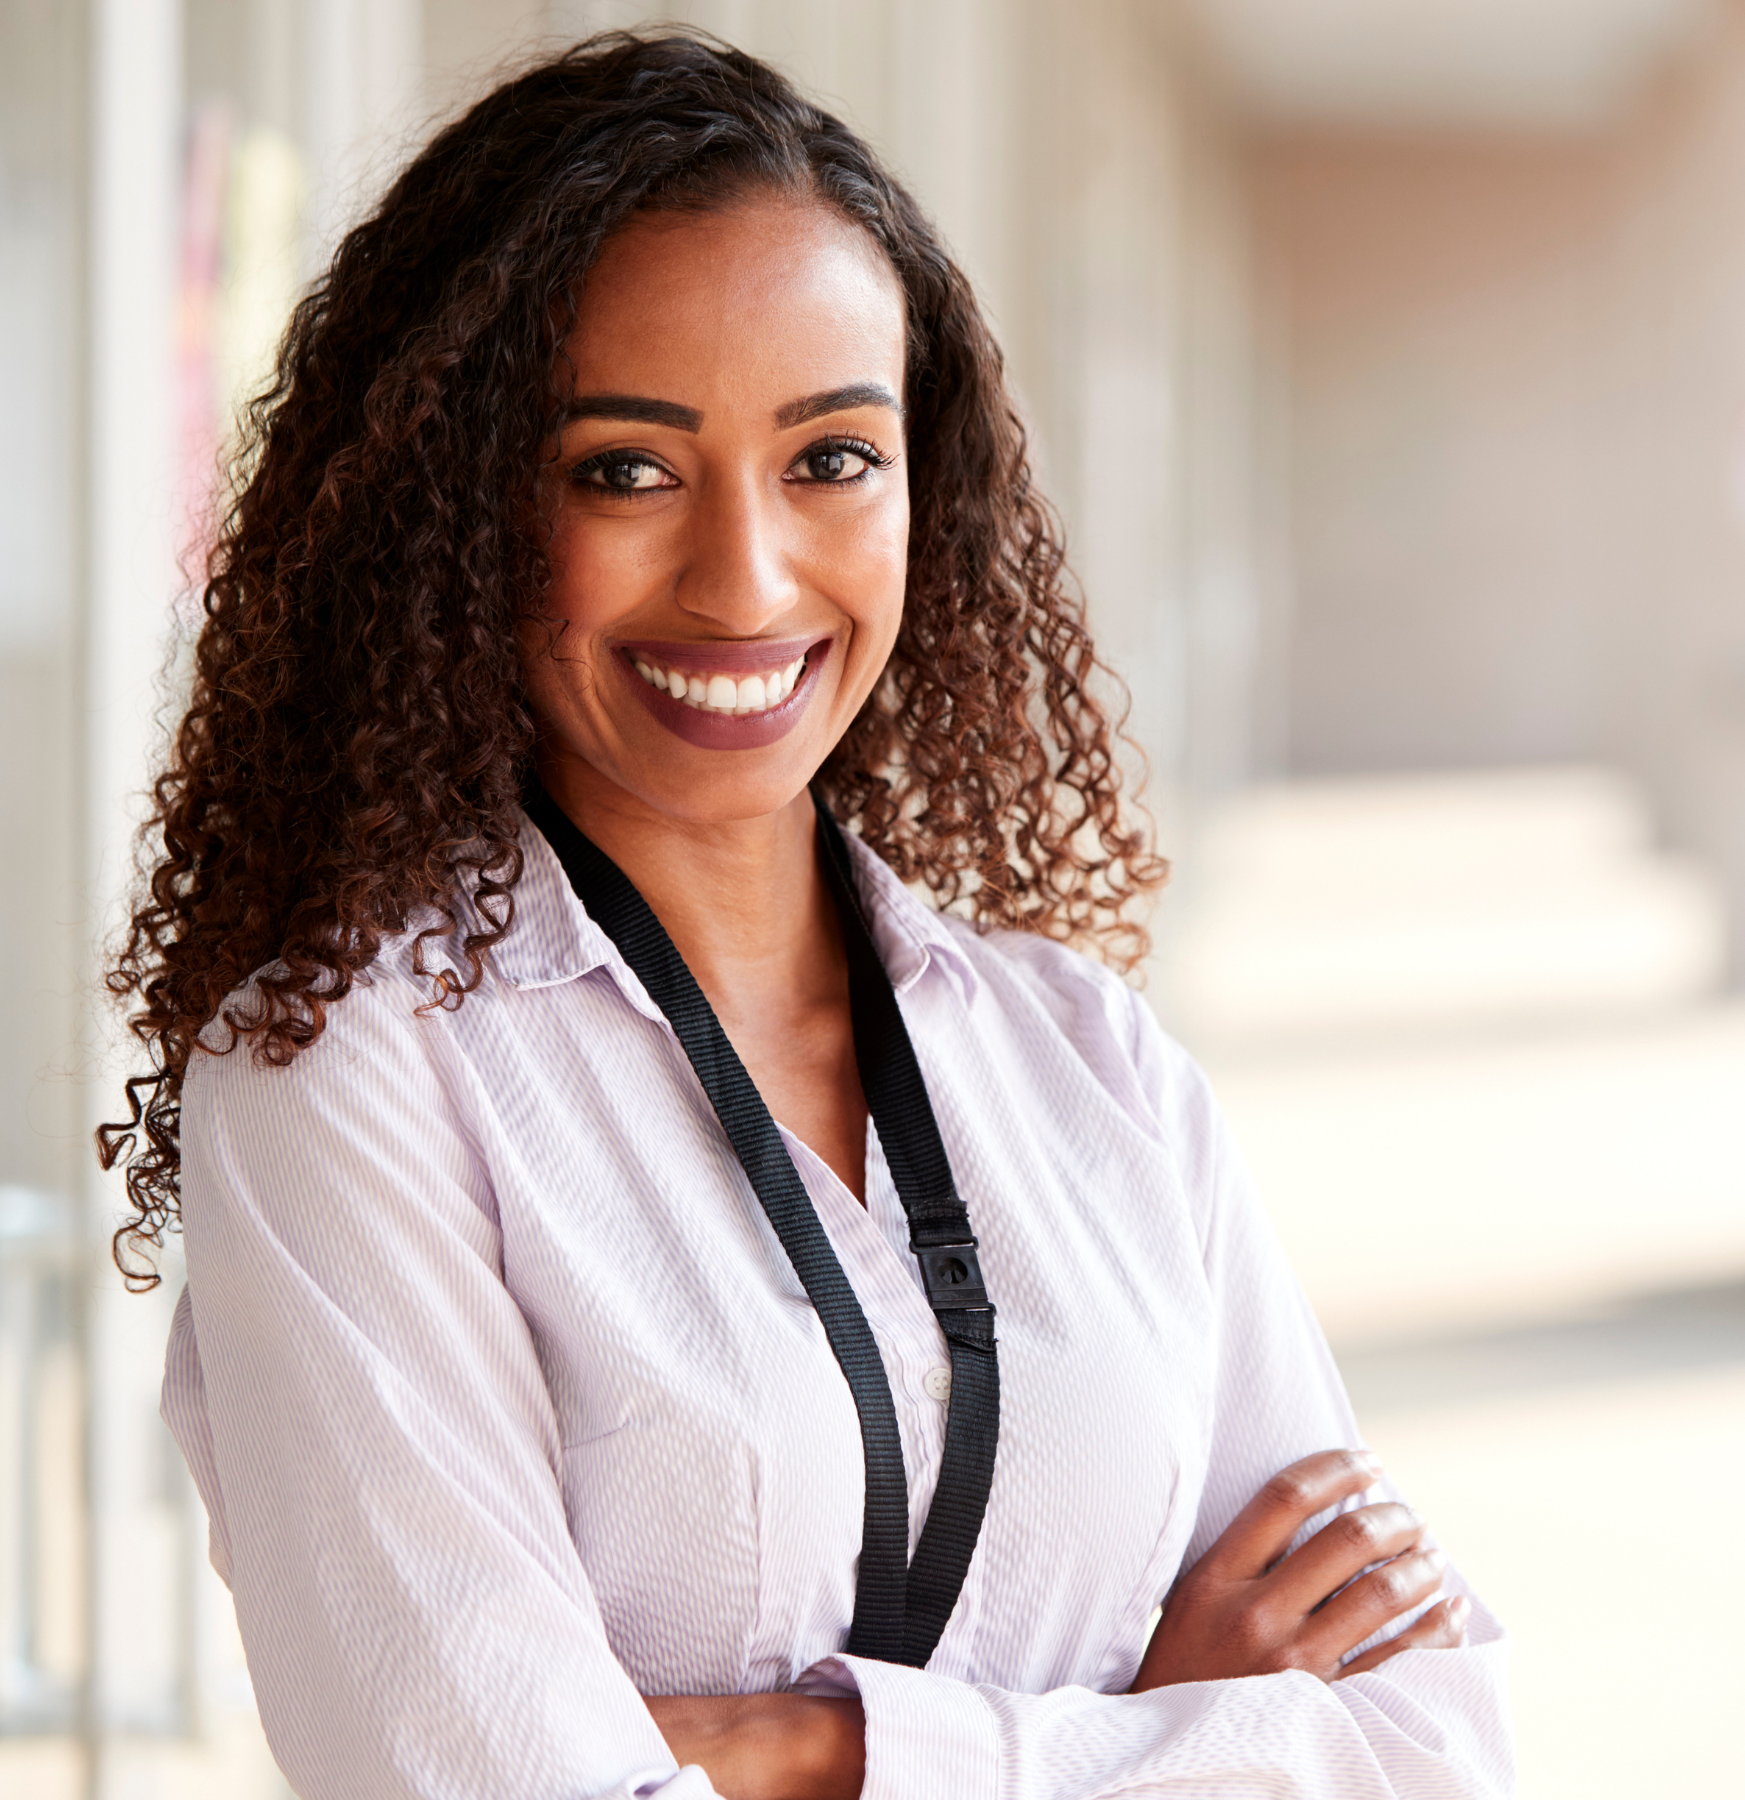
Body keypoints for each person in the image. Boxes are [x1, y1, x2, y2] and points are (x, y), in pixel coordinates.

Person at [100, 31, 1513, 1800]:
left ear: (926, 489)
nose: (746, 579)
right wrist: (1154, 1724)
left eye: (831, 460)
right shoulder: (348, 1071)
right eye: (625, 469)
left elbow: (1432, 1745)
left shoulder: (1087, 1065)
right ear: (457, 518)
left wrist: (802, 1749)